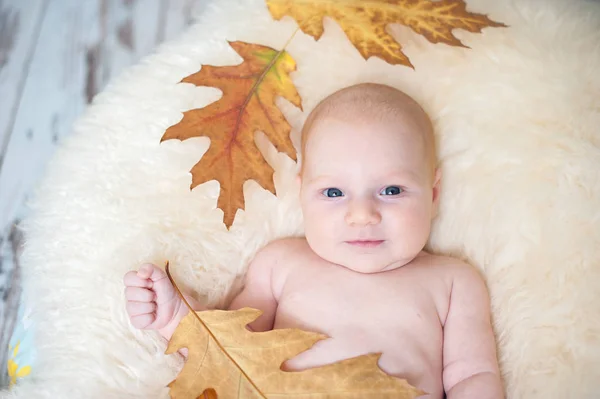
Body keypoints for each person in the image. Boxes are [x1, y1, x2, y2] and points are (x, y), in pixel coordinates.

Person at [123, 83, 503, 398]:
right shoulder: (281, 264)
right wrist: (176, 318)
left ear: (433, 194)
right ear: (302, 192)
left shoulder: (454, 282)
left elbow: (473, 376)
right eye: (334, 193)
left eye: (391, 190)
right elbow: (231, 351)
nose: (362, 215)